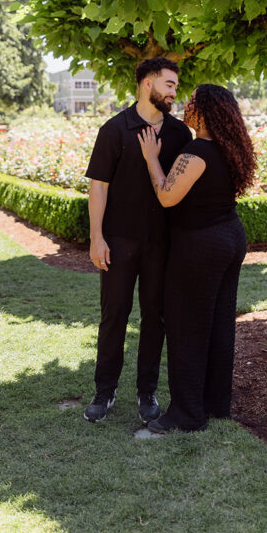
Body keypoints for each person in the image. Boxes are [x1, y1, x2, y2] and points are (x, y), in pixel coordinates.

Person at [137, 84, 256, 433]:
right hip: (230, 238)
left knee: (186, 326)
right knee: (219, 324)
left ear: (204, 111)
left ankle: (187, 415)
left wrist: (150, 158)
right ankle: (215, 405)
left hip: (201, 246)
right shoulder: (229, 148)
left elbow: (166, 197)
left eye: (193, 102)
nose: (186, 105)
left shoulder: (196, 152)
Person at [84, 57, 192, 424]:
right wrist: (96, 237)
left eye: (175, 85)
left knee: (154, 317)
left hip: (161, 243)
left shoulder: (179, 135)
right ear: (148, 84)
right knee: (114, 314)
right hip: (118, 240)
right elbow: (99, 186)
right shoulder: (114, 129)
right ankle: (104, 391)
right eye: (169, 84)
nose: (174, 91)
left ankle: (147, 392)